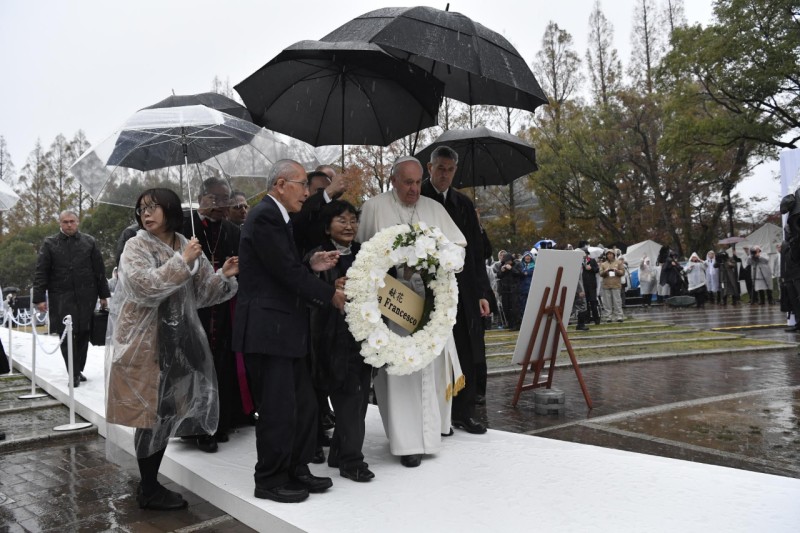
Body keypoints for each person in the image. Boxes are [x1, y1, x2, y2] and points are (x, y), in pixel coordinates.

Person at [106, 188, 239, 510]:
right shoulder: (135, 246)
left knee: (166, 413)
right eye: (141, 208)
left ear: (170, 210)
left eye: (153, 207)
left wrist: (223, 276)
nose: (146, 214)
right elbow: (144, 288)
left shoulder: (185, 242)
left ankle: (149, 485)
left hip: (178, 343)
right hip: (143, 342)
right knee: (149, 415)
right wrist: (183, 262)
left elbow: (202, 294)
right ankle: (149, 489)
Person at [232, 159, 346, 503]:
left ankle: (296, 468)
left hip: (285, 331)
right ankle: (269, 479)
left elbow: (283, 263)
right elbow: (283, 272)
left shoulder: (279, 218)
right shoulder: (265, 216)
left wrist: (309, 263)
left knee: (303, 405)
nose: (307, 192)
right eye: (303, 185)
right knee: (278, 409)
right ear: (282, 184)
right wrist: (330, 294)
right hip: (268, 331)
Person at [356, 155, 466, 468]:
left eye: (418, 182)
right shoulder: (375, 207)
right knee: (402, 375)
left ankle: (431, 435)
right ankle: (406, 444)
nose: (414, 189)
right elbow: (361, 254)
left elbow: (459, 247)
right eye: (407, 182)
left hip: (429, 304)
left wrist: (435, 259)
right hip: (392, 307)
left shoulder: (434, 208)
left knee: (429, 372)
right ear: (393, 180)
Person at [420, 145, 491, 435]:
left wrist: (483, 293)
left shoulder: (463, 203)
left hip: (462, 289)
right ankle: (431, 414)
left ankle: (464, 412)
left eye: (450, 170)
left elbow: (476, 252)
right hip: (427, 289)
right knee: (431, 353)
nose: (445, 175)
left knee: (467, 349)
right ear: (430, 168)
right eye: (440, 169)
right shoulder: (418, 197)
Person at [308, 200, 374, 482]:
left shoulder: (365, 253)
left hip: (365, 337)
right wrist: (328, 287)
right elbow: (310, 292)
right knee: (348, 397)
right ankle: (351, 461)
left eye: (352, 220)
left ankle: (339, 451)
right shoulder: (318, 257)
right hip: (333, 339)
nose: (349, 226)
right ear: (326, 226)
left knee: (359, 401)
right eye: (341, 220)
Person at [182, 177, 243, 452]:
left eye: (225, 198)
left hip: (225, 306)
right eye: (214, 198)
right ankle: (196, 427)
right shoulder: (185, 227)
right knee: (196, 365)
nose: (221, 204)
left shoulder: (232, 230)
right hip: (192, 309)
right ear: (200, 198)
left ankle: (221, 420)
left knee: (223, 363)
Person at [34, 210, 110, 388]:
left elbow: (99, 270)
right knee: (66, 333)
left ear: (78, 222)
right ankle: (73, 373)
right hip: (60, 295)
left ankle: (78, 369)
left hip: (86, 295)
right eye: (65, 221)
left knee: (84, 333)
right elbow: (41, 272)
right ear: (60, 223)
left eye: (72, 221)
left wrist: (104, 295)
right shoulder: (49, 244)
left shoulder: (89, 242)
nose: (69, 225)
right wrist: (39, 298)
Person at [496, 252, 522, 329]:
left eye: (509, 261)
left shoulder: (517, 264)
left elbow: (519, 273)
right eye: (506, 261)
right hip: (505, 290)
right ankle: (510, 324)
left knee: (515, 308)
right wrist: (502, 271)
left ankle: (517, 324)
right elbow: (499, 275)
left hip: (514, 289)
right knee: (506, 308)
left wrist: (511, 269)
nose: (507, 263)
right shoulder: (502, 265)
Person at [599, 249, 625, 322]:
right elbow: (600, 273)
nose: (609, 255)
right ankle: (608, 317)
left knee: (617, 301)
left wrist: (617, 271)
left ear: (613, 255)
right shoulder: (603, 264)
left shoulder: (619, 262)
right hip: (606, 285)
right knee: (607, 303)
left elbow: (623, 272)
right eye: (608, 254)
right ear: (606, 255)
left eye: (611, 254)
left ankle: (619, 316)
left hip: (616, 284)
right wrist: (605, 271)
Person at [517, 251, 536, 319]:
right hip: (522, 289)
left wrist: (526, 272)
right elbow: (520, 273)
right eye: (526, 256)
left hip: (531, 288)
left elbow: (531, 272)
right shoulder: (520, 265)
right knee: (522, 305)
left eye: (529, 256)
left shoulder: (534, 265)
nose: (527, 257)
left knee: (531, 305)